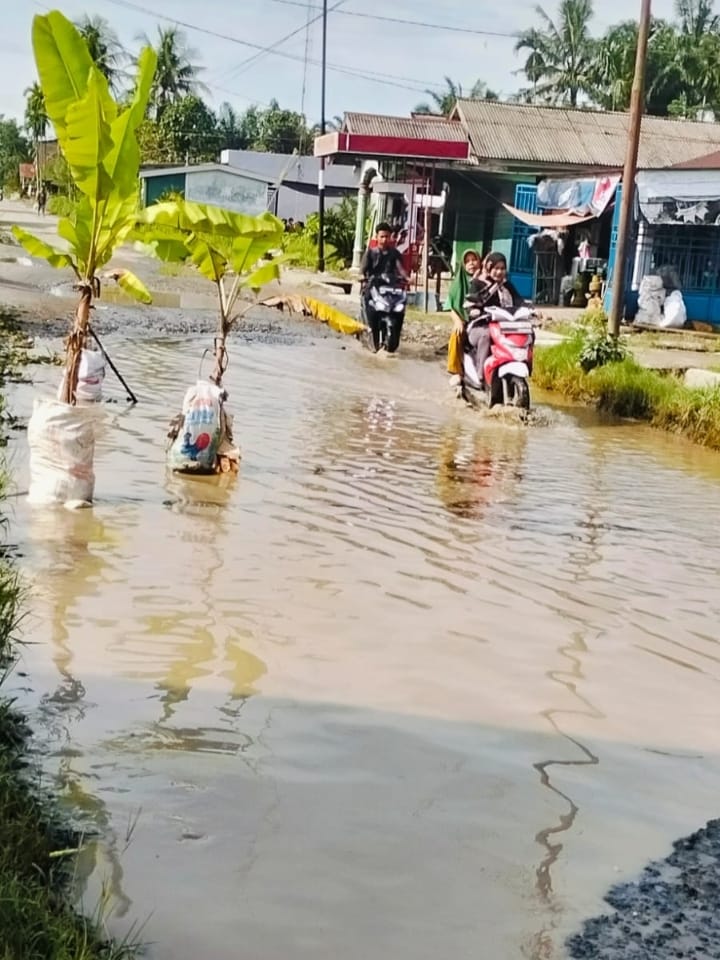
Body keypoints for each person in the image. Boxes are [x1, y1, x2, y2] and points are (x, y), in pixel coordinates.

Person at [464, 252, 524, 387]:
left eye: (502, 268)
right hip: (479, 327)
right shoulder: (478, 283)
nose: (499, 272)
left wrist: (533, 310)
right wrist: (474, 310)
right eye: (496, 268)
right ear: (489, 268)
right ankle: (480, 376)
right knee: (487, 335)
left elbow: (519, 300)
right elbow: (470, 302)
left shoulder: (507, 286)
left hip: (502, 326)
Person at [359, 222, 409, 351]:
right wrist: (362, 276)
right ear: (377, 237)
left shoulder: (394, 253)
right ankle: (372, 335)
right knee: (370, 309)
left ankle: (395, 335)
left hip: (390, 289)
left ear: (391, 237)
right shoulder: (370, 253)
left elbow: (400, 268)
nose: (384, 239)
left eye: (387, 236)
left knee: (400, 308)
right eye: (382, 236)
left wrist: (407, 278)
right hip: (373, 288)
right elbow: (362, 270)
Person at [446, 249, 482, 388]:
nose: (471, 264)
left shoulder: (485, 279)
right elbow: (451, 306)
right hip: (465, 321)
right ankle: (456, 371)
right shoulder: (458, 284)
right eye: (467, 261)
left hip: (484, 320)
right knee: (456, 334)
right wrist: (457, 321)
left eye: (474, 260)